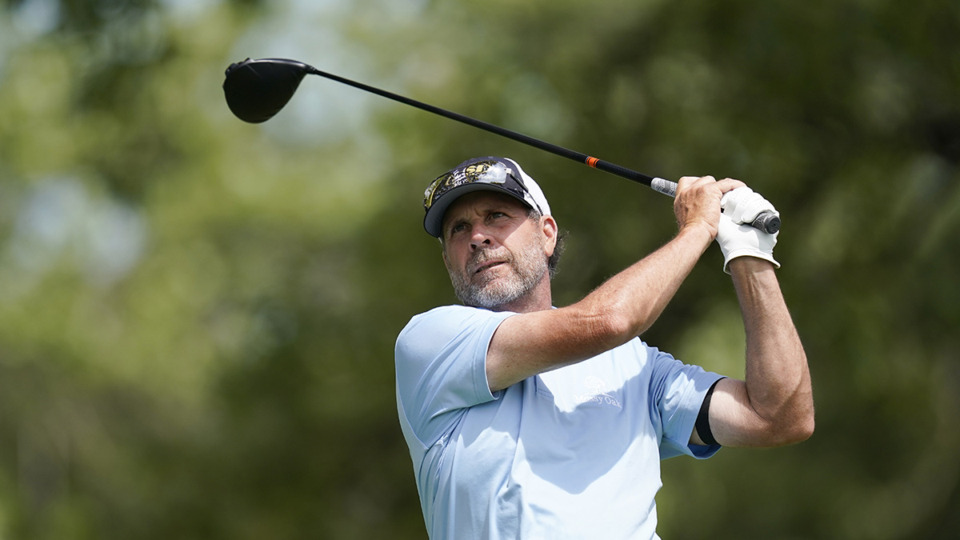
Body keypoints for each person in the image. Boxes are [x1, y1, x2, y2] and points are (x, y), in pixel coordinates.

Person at [395, 156, 814, 539]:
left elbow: (778, 417)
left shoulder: (637, 365)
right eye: (458, 229)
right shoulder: (432, 342)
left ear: (546, 234)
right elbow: (608, 321)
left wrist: (747, 254)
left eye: (496, 216)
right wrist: (698, 228)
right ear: (449, 260)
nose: (478, 237)